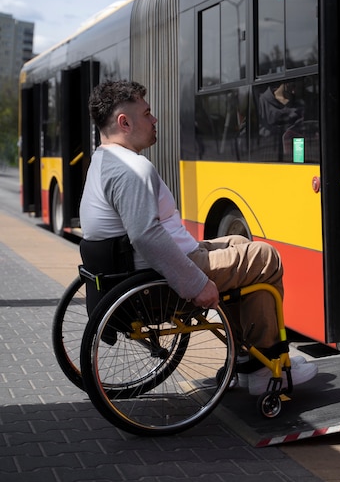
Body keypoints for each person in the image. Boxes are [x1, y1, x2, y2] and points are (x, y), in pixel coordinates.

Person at [79, 80, 318, 395]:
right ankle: (261, 367)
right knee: (265, 258)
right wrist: (195, 283)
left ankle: (245, 360)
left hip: (141, 270)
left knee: (241, 246)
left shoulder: (102, 161)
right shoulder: (133, 170)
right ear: (125, 122)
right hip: (162, 278)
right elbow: (145, 236)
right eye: (147, 113)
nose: (154, 120)